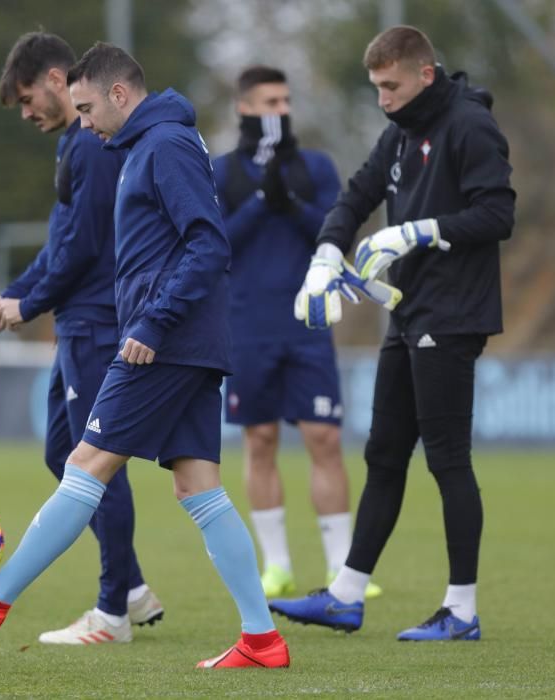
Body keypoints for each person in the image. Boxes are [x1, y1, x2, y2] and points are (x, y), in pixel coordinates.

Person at [0, 42, 290, 670]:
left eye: (88, 107)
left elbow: (208, 243)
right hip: (185, 339)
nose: (83, 121)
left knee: (85, 464)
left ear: (120, 94)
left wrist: (153, 320)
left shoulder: (164, 146)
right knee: (198, 487)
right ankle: (261, 639)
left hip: (161, 342)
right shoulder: (147, 145)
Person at [271, 25, 514, 641]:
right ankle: (346, 596)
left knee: (447, 460)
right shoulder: (400, 133)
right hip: (407, 311)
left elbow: (498, 213)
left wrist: (419, 230)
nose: (382, 97)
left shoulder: (469, 125)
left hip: (454, 314)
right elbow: (355, 197)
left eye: (391, 85)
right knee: (383, 454)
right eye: (376, 87)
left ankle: (461, 611)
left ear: (424, 75)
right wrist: (327, 251)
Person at [0, 32, 162, 644]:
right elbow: (62, 241)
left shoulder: (92, 144)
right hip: (78, 322)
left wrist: (29, 303)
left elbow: (84, 248)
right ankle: (130, 587)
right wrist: (13, 297)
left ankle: (112, 612)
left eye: (28, 99)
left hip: (100, 321)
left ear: (58, 79)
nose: (26, 114)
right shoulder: (74, 147)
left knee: (96, 463)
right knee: (64, 451)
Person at [212, 66, 382, 599]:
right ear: (244, 108)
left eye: (285, 100)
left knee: (324, 438)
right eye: (268, 101)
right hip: (247, 328)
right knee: (259, 441)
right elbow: (217, 246)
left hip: (309, 325)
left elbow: (336, 234)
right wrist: (261, 201)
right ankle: (278, 564)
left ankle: (340, 568)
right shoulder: (221, 173)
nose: (279, 110)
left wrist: (291, 199)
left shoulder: (315, 166)